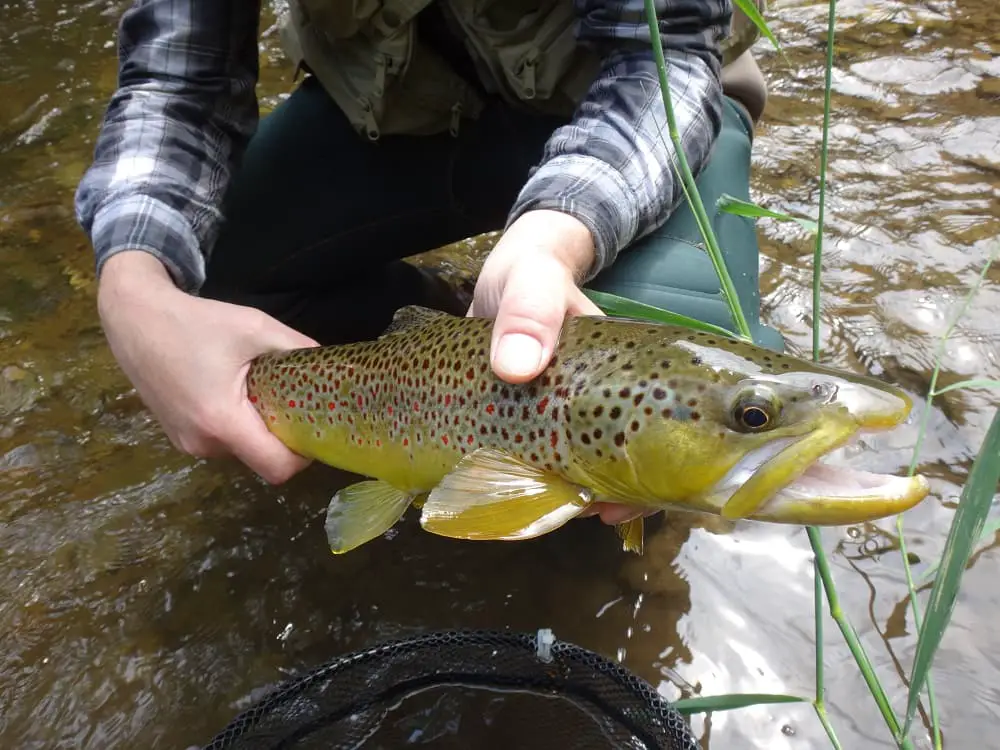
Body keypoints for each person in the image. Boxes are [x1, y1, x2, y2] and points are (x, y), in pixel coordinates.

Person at [75, 0, 782, 527]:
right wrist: (131, 291)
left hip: (637, 116)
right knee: (197, 278)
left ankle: (521, 372)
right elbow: (174, 82)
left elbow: (660, 61)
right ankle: (439, 344)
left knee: (676, 402)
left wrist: (553, 237)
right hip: (398, 116)